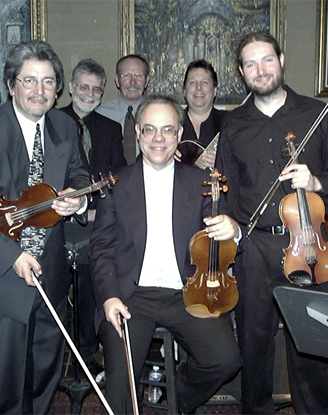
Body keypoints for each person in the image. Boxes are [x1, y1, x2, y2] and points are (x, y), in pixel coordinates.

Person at [0, 40, 90, 414]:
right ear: (11, 86)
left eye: (48, 81)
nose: (39, 90)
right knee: (8, 387)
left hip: (50, 277)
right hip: (0, 278)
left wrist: (78, 199)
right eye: (29, 80)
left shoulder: (65, 126)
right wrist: (12, 255)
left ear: (57, 89)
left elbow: (78, 173)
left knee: (44, 377)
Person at [216, 32, 328, 415]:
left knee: (309, 346)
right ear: (242, 72)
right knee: (254, 346)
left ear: (281, 59)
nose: (260, 70)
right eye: (251, 64)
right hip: (255, 248)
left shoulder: (316, 113)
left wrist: (316, 182)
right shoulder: (233, 123)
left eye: (267, 60)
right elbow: (225, 189)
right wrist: (229, 230)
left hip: (309, 245)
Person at [89, 95, 242, 415]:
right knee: (121, 382)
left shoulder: (202, 182)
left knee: (225, 359)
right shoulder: (116, 184)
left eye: (167, 130)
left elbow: (221, 242)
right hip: (131, 296)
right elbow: (101, 248)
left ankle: (177, 396)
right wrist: (109, 297)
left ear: (179, 134)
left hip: (187, 293)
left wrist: (233, 230)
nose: (158, 138)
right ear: (138, 133)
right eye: (149, 129)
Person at [60, 58, 126, 376]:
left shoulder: (111, 129)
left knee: (89, 291)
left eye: (96, 89)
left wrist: (100, 210)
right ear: (71, 88)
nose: (89, 94)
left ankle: (86, 355)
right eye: (83, 87)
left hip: (95, 223)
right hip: (56, 223)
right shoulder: (52, 121)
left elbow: (119, 176)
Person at [96, 54, 150, 164]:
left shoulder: (158, 115)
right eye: (126, 75)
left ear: (147, 80)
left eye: (139, 75)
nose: (133, 82)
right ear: (117, 80)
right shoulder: (100, 115)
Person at [178, 59, 225, 169]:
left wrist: (224, 161)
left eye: (205, 82)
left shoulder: (231, 122)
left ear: (215, 90)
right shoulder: (170, 124)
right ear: (184, 91)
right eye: (192, 82)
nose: (198, 87)